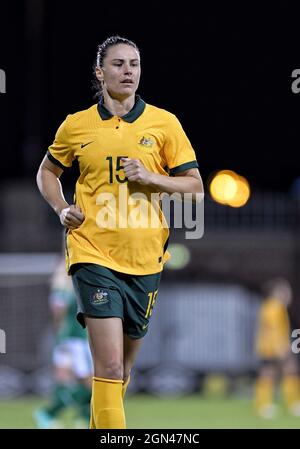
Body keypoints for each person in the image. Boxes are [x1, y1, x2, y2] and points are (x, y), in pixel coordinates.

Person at [36, 35, 203, 429]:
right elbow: (47, 172)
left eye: (134, 64)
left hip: (145, 261)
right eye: (118, 64)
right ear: (100, 71)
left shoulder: (164, 123)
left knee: (122, 372)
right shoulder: (76, 125)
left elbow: (195, 188)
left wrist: (151, 177)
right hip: (91, 253)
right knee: (108, 365)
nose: (128, 71)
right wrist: (61, 208)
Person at [33, 257, 92, 429]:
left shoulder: (72, 289)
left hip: (74, 340)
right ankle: (53, 414)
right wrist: (62, 339)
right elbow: (59, 316)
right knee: (89, 383)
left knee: (68, 381)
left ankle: (77, 416)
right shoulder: (65, 291)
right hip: (74, 341)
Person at [254, 277, 300, 418]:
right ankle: (293, 404)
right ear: (277, 292)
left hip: (268, 347)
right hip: (275, 347)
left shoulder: (270, 306)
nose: (288, 293)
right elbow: (273, 330)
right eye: (285, 290)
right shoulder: (275, 307)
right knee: (288, 372)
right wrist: (280, 347)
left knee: (273, 374)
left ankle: (265, 405)